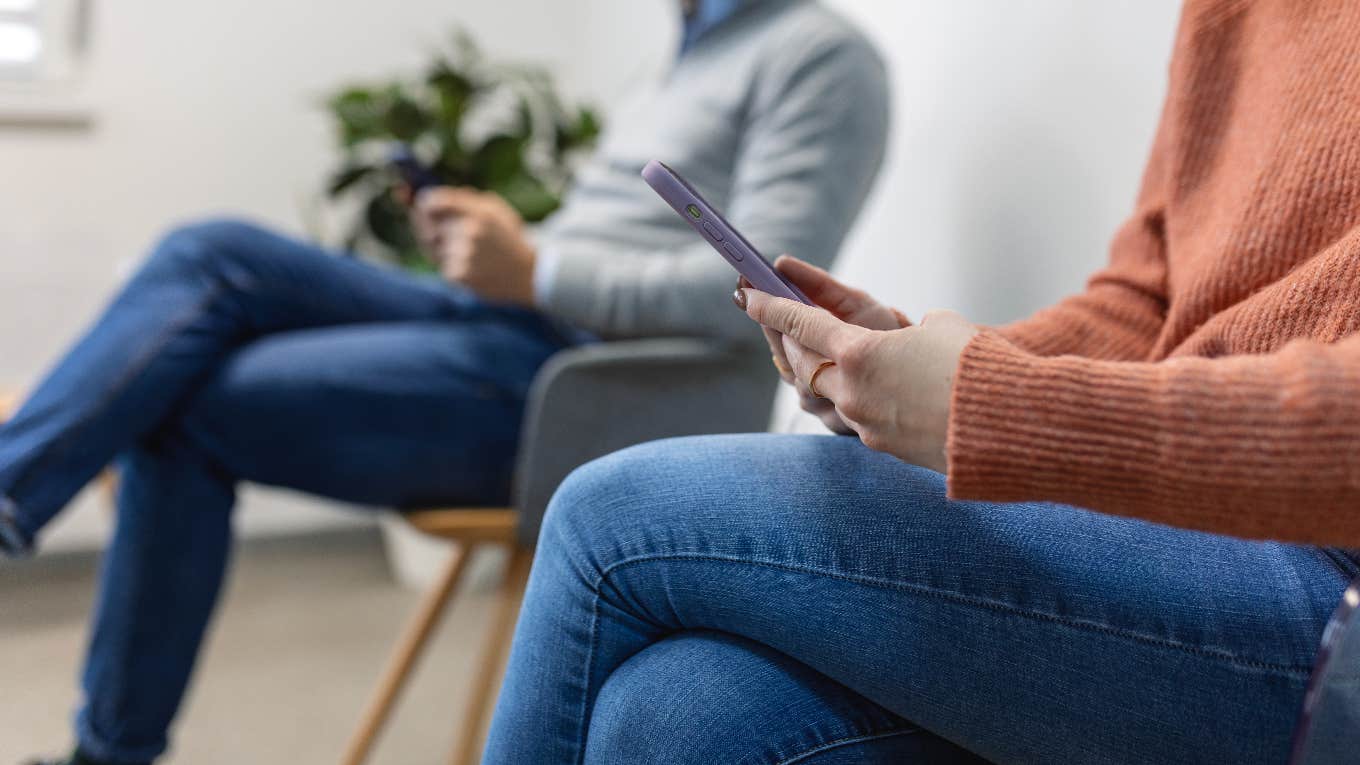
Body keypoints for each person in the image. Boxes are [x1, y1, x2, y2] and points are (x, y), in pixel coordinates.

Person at [2, 2, 889, 763]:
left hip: (577, 384)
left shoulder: (820, 56)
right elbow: (609, 240)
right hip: (512, 322)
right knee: (212, 252)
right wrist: (498, 240)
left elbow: (761, 291)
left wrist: (535, 270)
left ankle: (103, 749)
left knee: (180, 402)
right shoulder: (683, 50)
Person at [482, 1, 1360, 762]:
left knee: (612, 516)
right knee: (680, 710)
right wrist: (907, 360)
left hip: (1331, 575)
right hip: (1188, 525)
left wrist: (999, 409)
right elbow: (1150, 294)